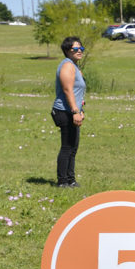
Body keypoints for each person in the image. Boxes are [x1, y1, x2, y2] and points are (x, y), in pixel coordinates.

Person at [50, 36, 86, 188]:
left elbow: (79, 94)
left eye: (81, 49)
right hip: (64, 111)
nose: (79, 51)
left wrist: (81, 109)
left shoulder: (75, 67)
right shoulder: (67, 66)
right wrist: (75, 111)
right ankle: (62, 181)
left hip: (73, 110)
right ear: (67, 51)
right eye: (75, 49)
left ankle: (70, 179)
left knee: (73, 147)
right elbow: (67, 90)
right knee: (67, 147)